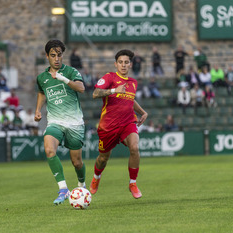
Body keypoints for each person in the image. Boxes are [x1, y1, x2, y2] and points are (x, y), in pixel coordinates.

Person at [89, 49, 148, 199]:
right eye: (120, 62)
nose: (123, 65)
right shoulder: (110, 77)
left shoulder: (133, 83)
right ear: (116, 64)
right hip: (108, 126)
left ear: (130, 65)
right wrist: (114, 90)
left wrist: (142, 112)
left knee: (134, 147)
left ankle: (133, 183)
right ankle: (96, 177)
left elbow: (130, 99)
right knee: (103, 158)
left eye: (126, 62)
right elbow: (95, 93)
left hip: (128, 122)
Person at [34, 39, 86, 205]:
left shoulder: (70, 71)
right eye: (53, 55)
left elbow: (81, 88)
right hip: (55, 121)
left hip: (74, 123)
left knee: (77, 162)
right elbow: (42, 93)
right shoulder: (42, 77)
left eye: (59, 55)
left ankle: (81, 185)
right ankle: (63, 188)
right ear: (47, 56)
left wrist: (63, 78)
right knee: (49, 149)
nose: (57, 58)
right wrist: (37, 110)